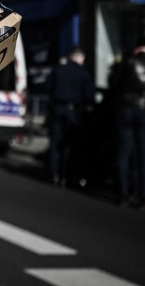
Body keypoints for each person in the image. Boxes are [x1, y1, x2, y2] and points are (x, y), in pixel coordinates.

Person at [110, 36, 145, 209]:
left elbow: (114, 85)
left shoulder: (129, 62)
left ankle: (124, 194)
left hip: (125, 109)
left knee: (124, 152)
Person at [46, 46, 95, 186]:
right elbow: (89, 96)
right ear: (80, 58)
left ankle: (53, 173)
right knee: (69, 143)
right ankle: (64, 175)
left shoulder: (59, 69)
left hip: (57, 108)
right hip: (73, 111)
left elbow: (47, 86)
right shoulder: (84, 73)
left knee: (55, 142)